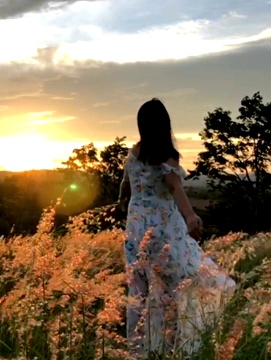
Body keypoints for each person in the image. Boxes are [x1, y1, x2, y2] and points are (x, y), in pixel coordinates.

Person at [117, 98, 236, 358]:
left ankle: (141, 351)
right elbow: (175, 187)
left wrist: (123, 203)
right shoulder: (165, 155)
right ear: (164, 125)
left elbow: (125, 188)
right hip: (163, 233)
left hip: (135, 234)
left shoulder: (133, 154)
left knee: (140, 292)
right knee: (175, 290)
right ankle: (171, 350)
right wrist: (191, 216)